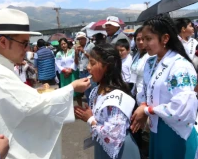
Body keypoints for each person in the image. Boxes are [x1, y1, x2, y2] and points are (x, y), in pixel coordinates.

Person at [0, 8, 90, 159]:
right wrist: (72, 88)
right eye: (24, 44)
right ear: (3, 41)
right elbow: (34, 106)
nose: (27, 50)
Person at [131, 15, 198, 159]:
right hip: (156, 129)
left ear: (165, 38)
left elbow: (183, 107)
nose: (143, 43)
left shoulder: (180, 65)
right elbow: (145, 89)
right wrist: (143, 105)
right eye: (142, 39)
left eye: (149, 39)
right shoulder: (150, 62)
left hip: (175, 132)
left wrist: (148, 110)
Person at [75, 43, 140, 159]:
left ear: (107, 66)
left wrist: (89, 119)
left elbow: (113, 136)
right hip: (102, 146)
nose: (88, 67)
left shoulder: (117, 96)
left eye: (93, 63)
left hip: (120, 150)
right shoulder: (96, 91)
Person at [56, 38, 82, 106]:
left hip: (72, 73)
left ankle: (80, 107)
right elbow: (57, 64)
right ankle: (68, 110)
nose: (63, 45)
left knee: (76, 92)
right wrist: (64, 71)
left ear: (67, 44)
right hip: (64, 75)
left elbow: (75, 62)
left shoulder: (73, 51)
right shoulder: (59, 53)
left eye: (64, 43)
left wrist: (70, 70)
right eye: (61, 44)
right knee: (66, 94)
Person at [74, 32, 96, 103]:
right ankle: (90, 108)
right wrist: (76, 54)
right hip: (81, 72)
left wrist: (83, 51)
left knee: (93, 91)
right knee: (86, 92)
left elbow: (94, 58)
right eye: (78, 39)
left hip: (89, 72)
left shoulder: (91, 45)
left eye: (81, 39)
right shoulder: (78, 48)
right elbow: (76, 62)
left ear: (85, 38)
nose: (80, 41)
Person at [130, 27, 150, 104]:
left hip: (146, 96)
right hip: (136, 93)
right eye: (138, 39)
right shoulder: (136, 55)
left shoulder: (151, 56)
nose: (141, 42)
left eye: (143, 39)